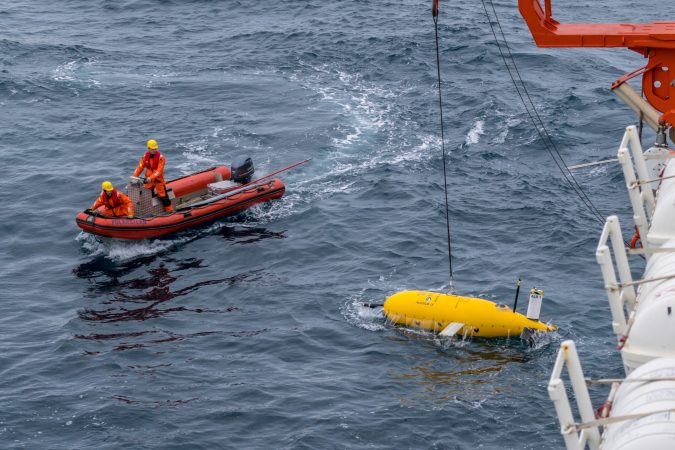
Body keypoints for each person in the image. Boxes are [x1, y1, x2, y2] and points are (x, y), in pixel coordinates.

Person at [133, 139, 173, 212]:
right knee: (147, 195)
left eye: (155, 148)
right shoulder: (145, 157)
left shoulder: (161, 158)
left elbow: (159, 171)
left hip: (158, 180)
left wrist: (150, 178)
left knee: (164, 197)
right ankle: (151, 211)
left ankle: (170, 211)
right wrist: (134, 177)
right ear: (148, 148)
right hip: (149, 180)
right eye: (153, 149)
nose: (154, 150)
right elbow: (140, 167)